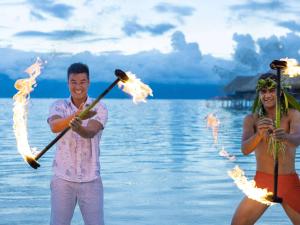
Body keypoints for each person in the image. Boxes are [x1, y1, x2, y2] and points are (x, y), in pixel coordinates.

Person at [231, 73, 300, 225]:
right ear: (259, 93)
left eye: (271, 91)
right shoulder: (251, 119)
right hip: (262, 182)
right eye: (263, 91)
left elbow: (297, 140)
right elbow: (245, 149)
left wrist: (285, 137)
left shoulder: (292, 115)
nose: (267, 95)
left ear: (280, 92)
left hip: (288, 182)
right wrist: (259, 135)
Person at [47, 62, 108, 225]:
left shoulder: (99, 108)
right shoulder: (58, 105)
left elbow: (90, 132)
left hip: (91, 179)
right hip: (62, 179)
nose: (78, 86)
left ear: (88, 83)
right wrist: (76, 116)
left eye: (82, 82)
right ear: (68, 83)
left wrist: (78, 126)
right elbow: (55, 126)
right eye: (73, 82)